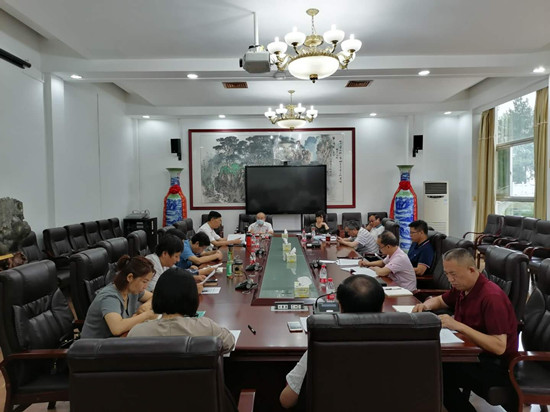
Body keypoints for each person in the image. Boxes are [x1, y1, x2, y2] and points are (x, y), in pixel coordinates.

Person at [412, 248, 518, 412]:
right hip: (471, 353)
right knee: (430, 364)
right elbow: (441, 300)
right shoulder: (464, 288)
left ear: (471, 270)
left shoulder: (492, 297)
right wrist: (425, 306)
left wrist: (458, 325)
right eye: (447, 274)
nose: (450, 279)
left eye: (453, 274)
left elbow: (499, 346)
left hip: (495, 365)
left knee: (436, 373)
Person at [279, 275, 385, 409]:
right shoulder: (401, 342)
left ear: (340, 307)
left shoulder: (323, 344)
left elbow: (286, 400)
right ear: (382, 307)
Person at [128, 267, 236, 354]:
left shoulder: (137, 333)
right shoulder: (207, 327)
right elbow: (230, 343)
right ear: (192, 297)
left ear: (157, 296)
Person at [81, 255, 156, 339]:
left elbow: (155, 297)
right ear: (130, 277)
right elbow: (117, 328)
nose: (146, 286)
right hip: (93, 345)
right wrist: (146, 315)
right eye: (144, 282)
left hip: (116, 340)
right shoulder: (109, 297)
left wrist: (146, 305)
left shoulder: (132, 290)